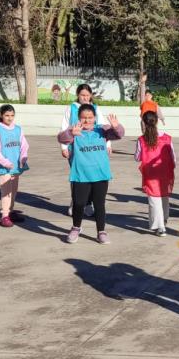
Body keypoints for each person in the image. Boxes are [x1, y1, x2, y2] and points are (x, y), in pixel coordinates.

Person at [57, 105, 124, 244]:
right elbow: (61, 138)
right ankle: (76, 228)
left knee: (99, 204)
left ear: (95, 118)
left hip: (100, 174)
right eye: (84, 117)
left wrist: (116, 127)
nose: (87, 120)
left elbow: (119, 134)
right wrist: (71, 133)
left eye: (90, 117)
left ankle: (101, 232)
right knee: (79, 203)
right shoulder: (75, 130)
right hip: (80, 175)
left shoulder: (102, 130)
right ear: (79, 118)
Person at [60, 84, 107, 217]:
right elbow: (64, 127)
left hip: (93, 149)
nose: (85, 98)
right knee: (78, 176)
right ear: (78, 95)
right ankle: (75, 202)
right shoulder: (71, 108)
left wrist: (107, 145)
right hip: (75, 149)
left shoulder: (95, 109)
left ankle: (88, 203)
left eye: (87, 95)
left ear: (91, 95)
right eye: (82, 95)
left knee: (93, 176)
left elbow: (104, 128)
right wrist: (64, 147)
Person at [135, 111, 175, 236]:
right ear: (157, 121)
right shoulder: (167, 138)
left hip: (151, 173)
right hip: (165, 171)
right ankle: (164, 219)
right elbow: (173, 156)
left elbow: (137, 157)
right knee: (164, 196)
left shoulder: (142, 139)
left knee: (154, 199)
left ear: (144, 123)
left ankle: (160, 227)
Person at [0, 104, 29, 227]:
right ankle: (4, 216)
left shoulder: (18, 129)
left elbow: (24, 145)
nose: (10, 118)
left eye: (12, 115)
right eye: (7, 115)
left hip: (16, 164)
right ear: (1, 115)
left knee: (13, 189)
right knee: (6, 191)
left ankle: (10, 211)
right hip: (4, 166)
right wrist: (5, 163)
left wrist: (23, 158)